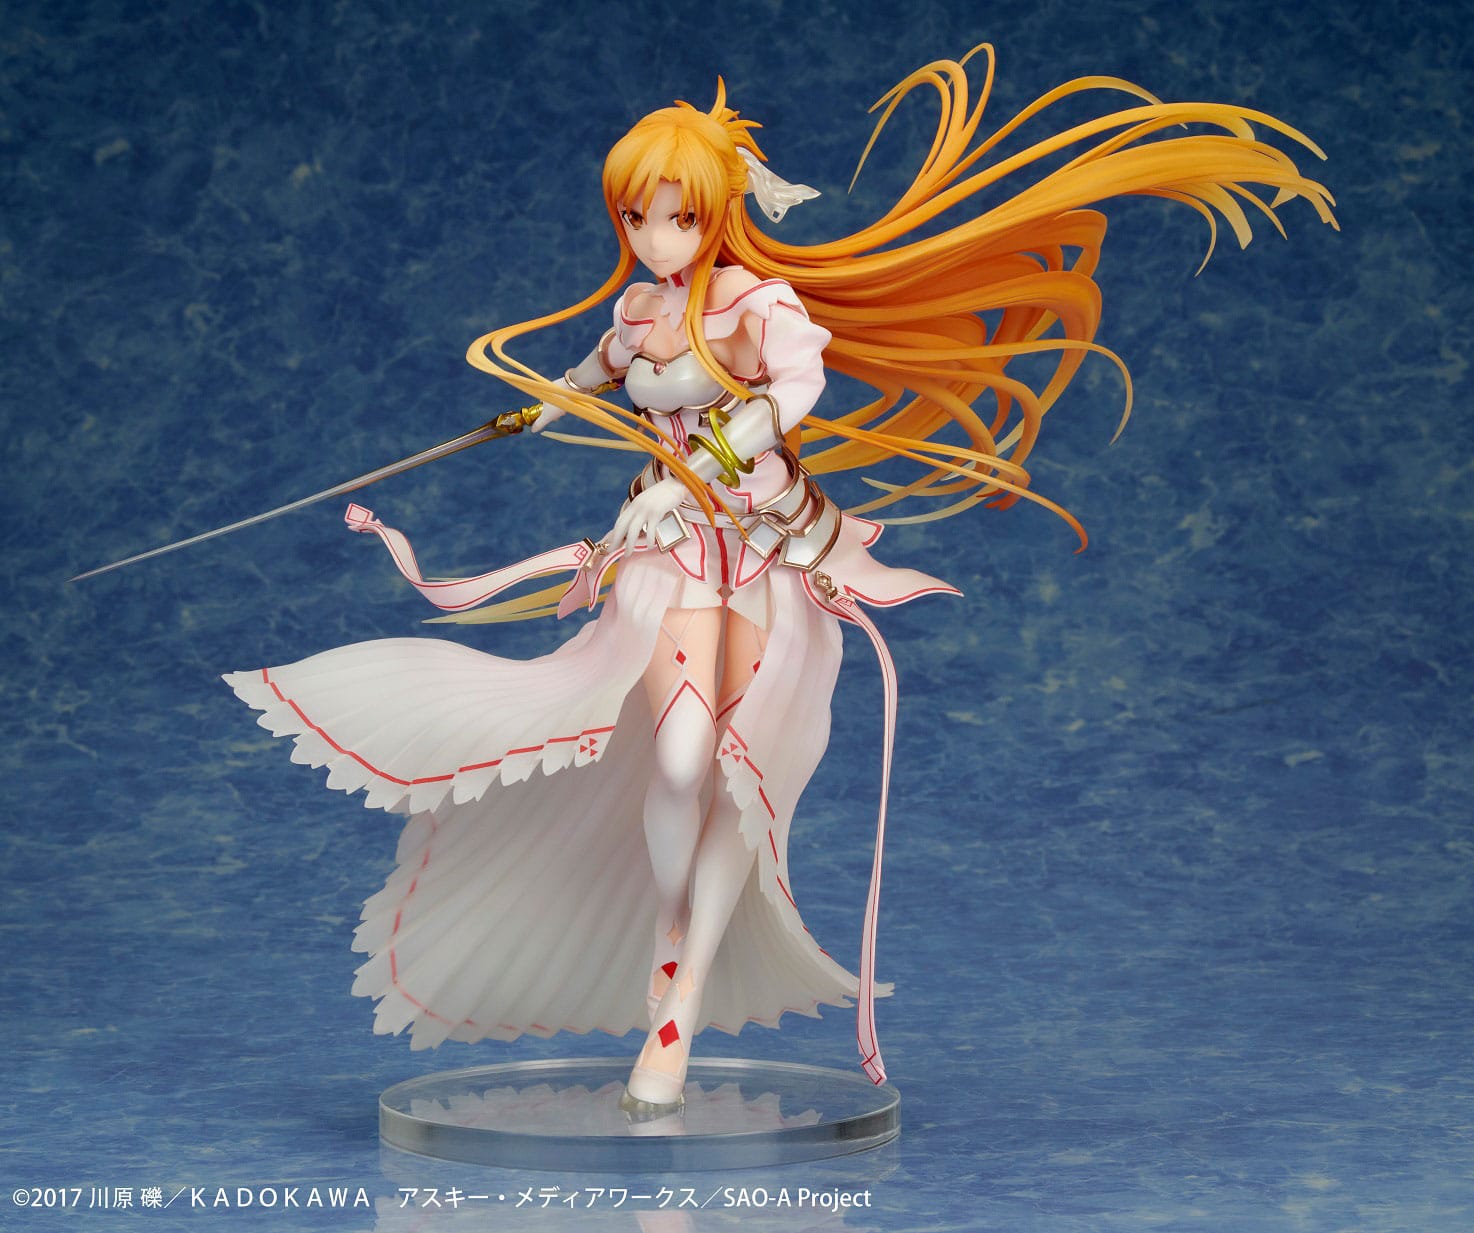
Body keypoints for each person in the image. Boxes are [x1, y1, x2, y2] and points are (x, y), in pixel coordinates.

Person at [226, 46, 1334, 1117]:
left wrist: (701, 464)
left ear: (717, 213)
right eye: (635, 217)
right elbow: (592, 375)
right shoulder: (637, 313)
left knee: (723, 768)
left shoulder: (760, 307)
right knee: (673, 762)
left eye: (677, 217)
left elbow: (793, 397)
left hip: (760, 556)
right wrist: (533, 408)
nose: (654, 237)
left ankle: (682, 996)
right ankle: (671, 931)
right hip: (665, 563)